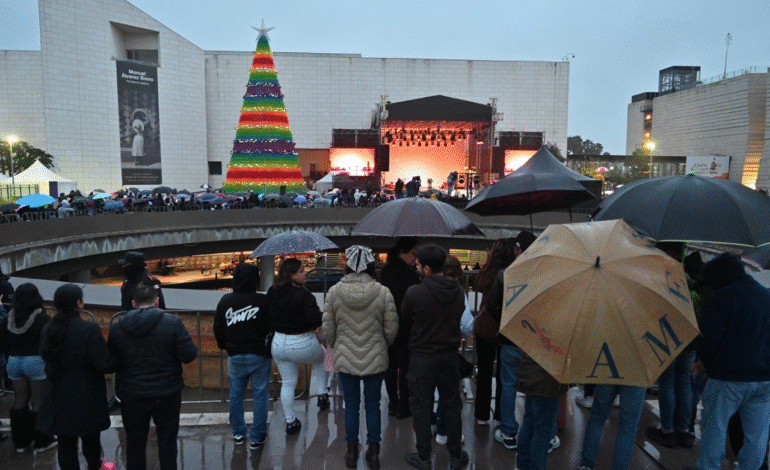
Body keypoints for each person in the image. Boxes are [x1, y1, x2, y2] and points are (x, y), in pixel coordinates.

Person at [322, 245, 398, 469]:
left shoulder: (334, 292)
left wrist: (339, 346)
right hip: (375, 356)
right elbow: (391, 328)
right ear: (371, 265)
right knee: (373, 405)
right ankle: (374, 453)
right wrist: (382, 344)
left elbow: (329, 329)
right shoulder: (383, 292)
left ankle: (351, 451)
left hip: (346, 357)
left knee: (351, 405)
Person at [108, 285, 198, 470]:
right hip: (166, 393)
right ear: (156, 300)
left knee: (134, 443)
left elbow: (111, 362)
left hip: (132, 394)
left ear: (133, 303)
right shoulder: (172, 323)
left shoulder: (118, 327)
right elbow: (189, 354)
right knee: (167, 441)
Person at [694, 253, 770, 470]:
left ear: (720, 277)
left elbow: (709, 340)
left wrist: (704, 363)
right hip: (764, 380)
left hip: (727, 379)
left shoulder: (720, 298)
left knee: (714, 431)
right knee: (756, 437)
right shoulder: (766, 296)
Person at [402, 244, 469, 470]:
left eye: (419, 265)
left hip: (422, 358)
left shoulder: (415, 293)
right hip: (449, 356)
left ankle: (423, 456)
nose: (416, 268)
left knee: (421, 407)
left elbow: (405, 322)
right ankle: (456, 455)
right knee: (452, 405)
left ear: (428, 268)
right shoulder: (458, 291)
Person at [40, 284, 116, 470]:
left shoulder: (48, 330)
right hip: (87, 392)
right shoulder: (88, 329)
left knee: (66, 443)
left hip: (57, 391)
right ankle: (96, 466)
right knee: (91, 439)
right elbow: (104, 364)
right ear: (79, 303)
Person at [213, 262, 272, 450]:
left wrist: (226, 346)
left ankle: (239, 433)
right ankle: (257, 436)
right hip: (259, 356)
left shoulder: (225, 301)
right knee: (260, 396)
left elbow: (218, 329)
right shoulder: (262, 301)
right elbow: (270, 327)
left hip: (235, 356)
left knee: (236, 396)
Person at [267, 258, 330, 435]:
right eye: (301, 271)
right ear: (291, 275)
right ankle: (323, 395)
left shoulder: (273, 291)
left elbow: (268, 315)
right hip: (302, 342)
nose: (305, 274)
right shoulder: (304, 295)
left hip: (279, 342)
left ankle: (290, 422)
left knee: (287, 382)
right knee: (323, 358)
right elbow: (316, 319)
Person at [646, 241, 698, 448]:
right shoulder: (692, 273)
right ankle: (684, 430)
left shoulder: (661, 272)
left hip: (668, 335)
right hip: (691, 337)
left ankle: (667, 429)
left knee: (668, 382)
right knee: (684, 381)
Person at [0, 283, 58, 453]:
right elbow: (48, 343)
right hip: (35, 361)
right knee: (38, 402)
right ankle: (42, 441)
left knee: (19, 401)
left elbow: (4, 342)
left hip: (14, 361)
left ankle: (21, 442)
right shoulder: (42, 318)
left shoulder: (8, 319)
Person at [111, 251, 166, 412]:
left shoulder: (150, 282)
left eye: (126, 265)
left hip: (147, 330)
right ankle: (118, 396)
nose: (123, 267)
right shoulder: (128, 280)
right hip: (128, 327)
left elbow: (160, 306)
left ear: (134, 266)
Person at [473, 238, 517, 427]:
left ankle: (482, 415)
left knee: (484, 371)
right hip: (507, 328)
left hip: (485, 327)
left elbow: (477, 285)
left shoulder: (487, 273)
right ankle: (501, 414)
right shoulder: (515, 274)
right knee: (504, 375)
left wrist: (488, 261)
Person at [433, 255, 474, 445]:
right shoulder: (458, 293)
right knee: (448, 392)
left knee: (426, 390)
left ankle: (430, 426)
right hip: (449, 347)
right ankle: (444, 431)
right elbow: (466, 325)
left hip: (426, 348)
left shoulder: (424, 290)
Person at [380, 237, 420, 418]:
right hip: (405, 324)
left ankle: (392, 403)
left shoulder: (386, 271)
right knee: (405, 366)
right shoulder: (411, 275)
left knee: (390, 365)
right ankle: (404, 404)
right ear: (402, 253)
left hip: (387, 322)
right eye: (413, 253)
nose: (415, 258)